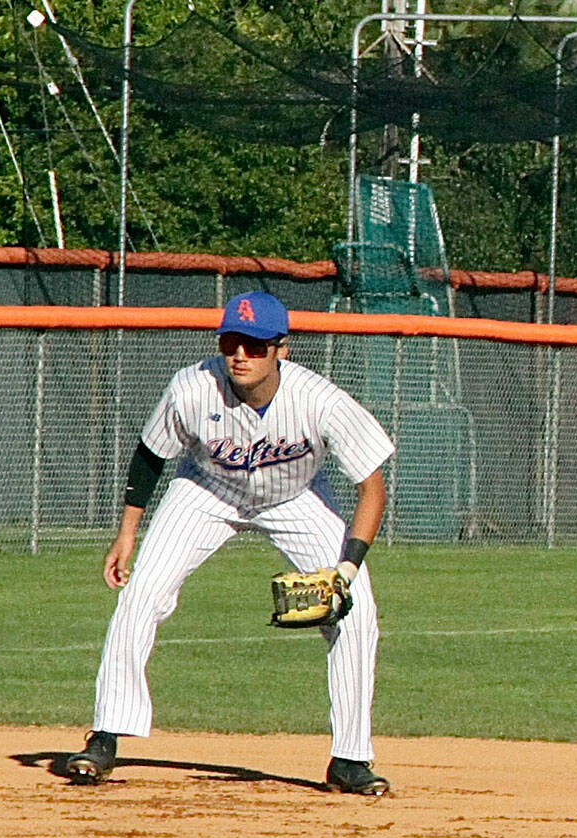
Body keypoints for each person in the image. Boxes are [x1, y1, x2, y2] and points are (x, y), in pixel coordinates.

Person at [64, 292, 396, 795]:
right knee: (141, 593)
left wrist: (347, 569)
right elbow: (151, 456)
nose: (240, 354)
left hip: (296, 496)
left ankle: (350, 758)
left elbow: (372, 486)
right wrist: (127, 532)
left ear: (281, 349)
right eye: (231, 341)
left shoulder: (319, 400)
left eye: (255, 345)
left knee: (356, 610)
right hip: (206, 490)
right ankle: (105, 737)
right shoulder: (193, 387)